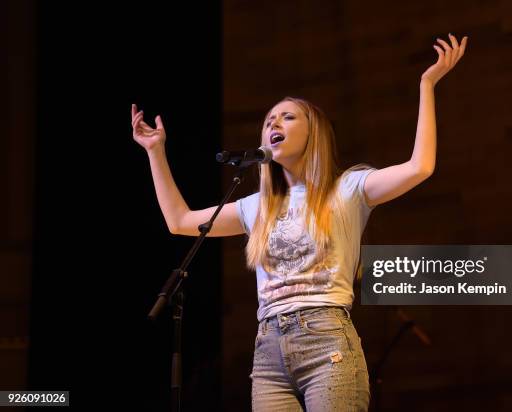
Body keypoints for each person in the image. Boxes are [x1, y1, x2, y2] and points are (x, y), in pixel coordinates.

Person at [132, 33, 467, 411]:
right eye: (269, 120)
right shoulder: (257, 205)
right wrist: (155, 152)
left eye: (288, 116)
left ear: (313, 132)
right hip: (268, 352)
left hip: (327, 342)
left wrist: (427, 83)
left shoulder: (348, 188)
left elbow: (420, 167)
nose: (274, 122)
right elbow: (180, 221)